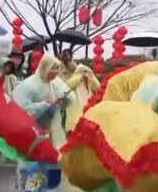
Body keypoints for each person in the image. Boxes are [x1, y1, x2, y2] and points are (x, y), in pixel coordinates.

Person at [12, 54, 72, 191]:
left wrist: (63, 102)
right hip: (32, 137)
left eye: (57, 69)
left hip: (51, 137)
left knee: (52, 172)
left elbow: (65, 104)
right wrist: (45, 105)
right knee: (32, 174)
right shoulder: (28, 85)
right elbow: (21, 108)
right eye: (53, 68)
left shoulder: (54, 85)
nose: (56, 72)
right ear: (44, 68)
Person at [64, 64, 100, 132]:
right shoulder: (74, 81)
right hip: (76, 118)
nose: (85, 73)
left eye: (86, 71)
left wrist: (92, 76)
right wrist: (80, 76)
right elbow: (67, 86)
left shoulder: (89, 82)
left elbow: (98, 87)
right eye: (83, 71)